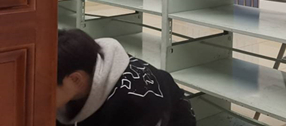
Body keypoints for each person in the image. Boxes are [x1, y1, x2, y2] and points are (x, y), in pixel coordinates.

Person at [56, 29, 196, 126]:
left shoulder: (133, 105)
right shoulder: (86, 66)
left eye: (48, 88)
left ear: (76, 79)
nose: (44, 95)